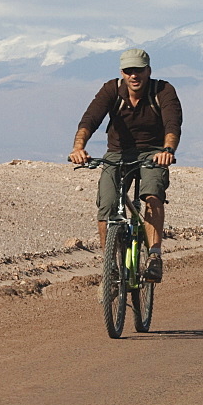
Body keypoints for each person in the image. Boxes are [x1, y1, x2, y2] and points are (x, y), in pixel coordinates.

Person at [68, 48, 182, 281]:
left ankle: (154, 257)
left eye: (138, 70)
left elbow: (173, 125)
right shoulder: (112, 89)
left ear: (148, 70)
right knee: (107, 205)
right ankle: (109, 264)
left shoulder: (163, 91)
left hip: (153, 153)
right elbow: (90, 120)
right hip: (118, 153)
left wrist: (167, 151)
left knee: (152, 194)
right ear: (122, 72)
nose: (134, 76)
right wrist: (78, 148)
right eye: (129, 71)